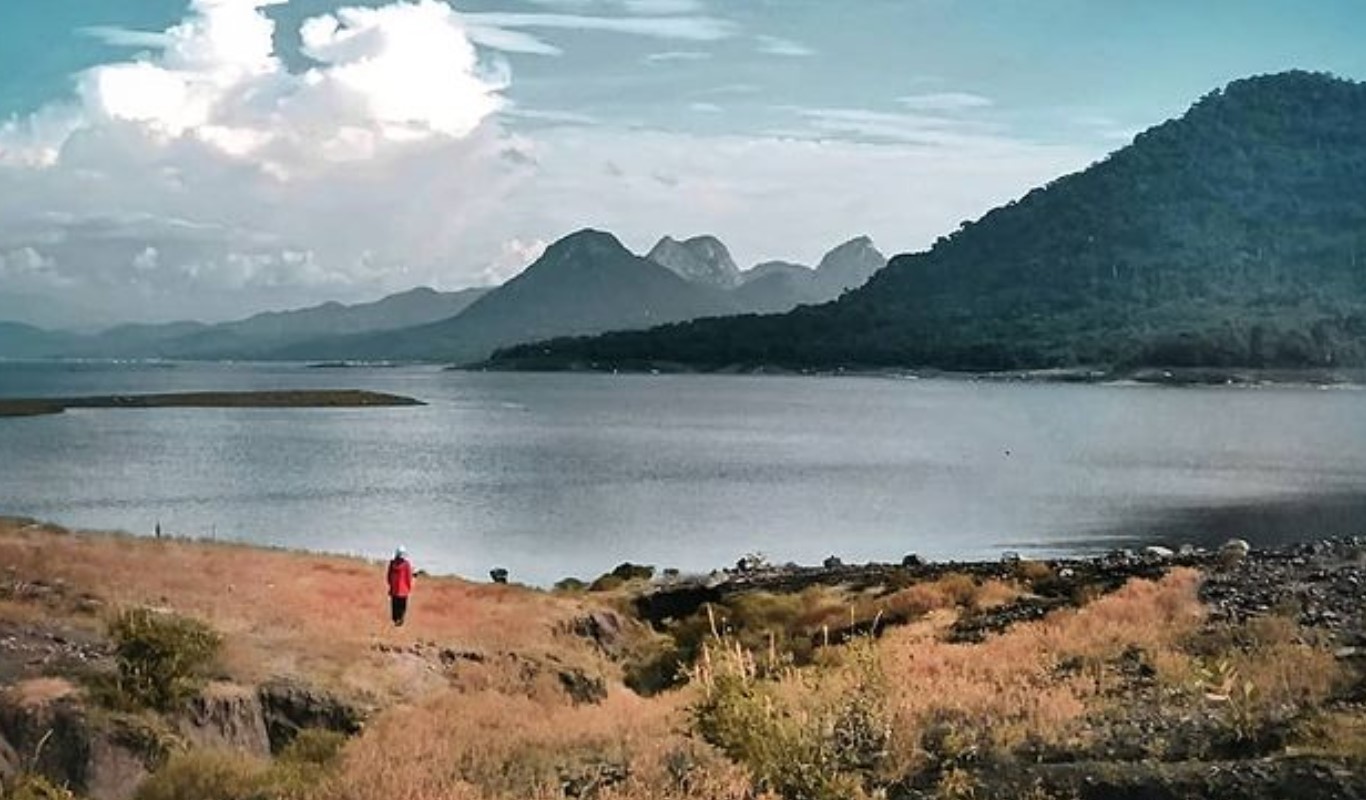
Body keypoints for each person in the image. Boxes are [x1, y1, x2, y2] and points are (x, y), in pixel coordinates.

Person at [387, 546, 413, 626]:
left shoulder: (392, 563)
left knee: (394, 606)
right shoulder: (406, 564)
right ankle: (400, 620)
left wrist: (391, 586)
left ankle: (395, 620)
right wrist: (409, 587)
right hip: (404, 590)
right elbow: (409, 577)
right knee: (402, 606)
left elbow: (389, 576)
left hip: (394, 589)